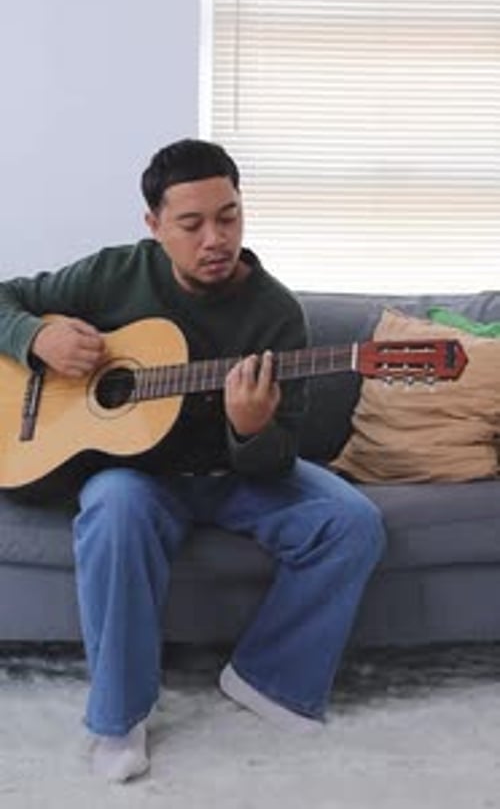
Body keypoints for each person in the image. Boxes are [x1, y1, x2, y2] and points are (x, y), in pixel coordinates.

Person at [0, 138, 385, 783]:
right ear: (155, 226)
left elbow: (272, 462)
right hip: (139, 478)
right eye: (192, 223)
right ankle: (118, 719)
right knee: (116, 506)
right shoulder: (114, 274)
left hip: (234, 478)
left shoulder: (276, 314)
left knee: (353, 521)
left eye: (229, 216)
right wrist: (35, 335)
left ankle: (270, 678)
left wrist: (252, 431)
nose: (215, 238)